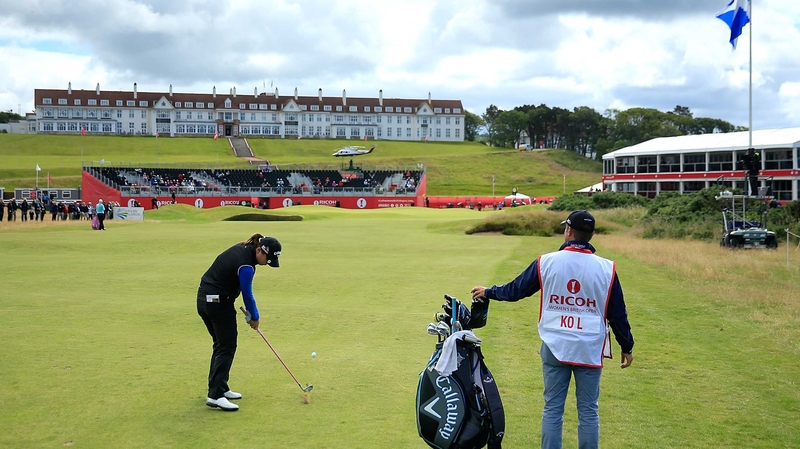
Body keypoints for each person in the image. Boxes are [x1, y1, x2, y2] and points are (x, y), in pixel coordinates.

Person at [471, 210, 634, 449]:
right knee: (589, 411)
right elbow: (617, 313)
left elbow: (516, 290)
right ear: (591, 235)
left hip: (555, 344)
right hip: (589, 348)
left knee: (553, 409)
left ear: (568, 230)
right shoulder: (606, 268)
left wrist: (489, 292)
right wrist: (627, 346)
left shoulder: (547, 261)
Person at [197, 234, 282, 412]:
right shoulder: (247, 266)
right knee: (226, 346)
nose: (266, 264)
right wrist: (255, 317)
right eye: (267, 259)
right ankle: (215, 395)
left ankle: (220, 387)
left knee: (221, 345)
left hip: (205, 300)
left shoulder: (243, 249)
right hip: (217, 304)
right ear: (259, 251)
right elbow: (247, 294)